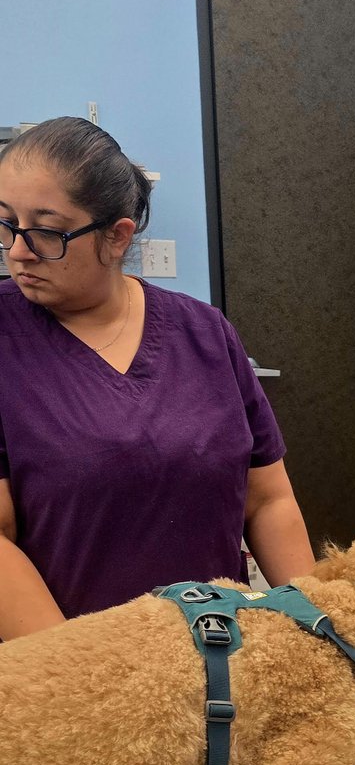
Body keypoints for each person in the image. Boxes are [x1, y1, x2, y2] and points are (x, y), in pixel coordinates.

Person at [0, 117, 315, 641]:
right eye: (7, 223)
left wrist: (318, 624)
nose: (17, 251)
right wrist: (79, 673)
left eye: (47, 232)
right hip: (73, 666)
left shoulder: (205, 332)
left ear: (117, 237)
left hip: (223, 651)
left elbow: (267, 500)